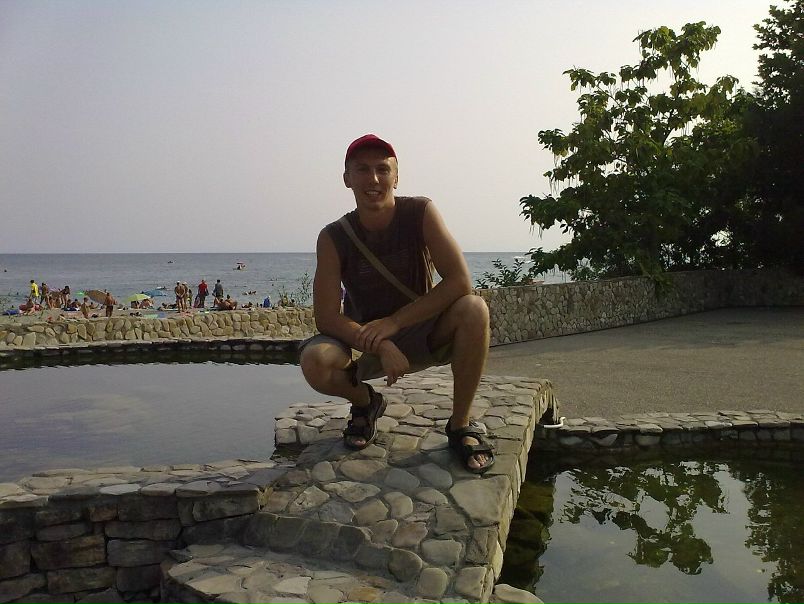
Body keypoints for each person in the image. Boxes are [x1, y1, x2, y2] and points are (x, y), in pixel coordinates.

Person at [299, 134, 493, 473]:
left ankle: (460, 424)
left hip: (424, 330)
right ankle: (365, 403)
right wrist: (382, 342)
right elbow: (326, 317)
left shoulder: (420, 212)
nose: (373, 179)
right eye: (362, 170)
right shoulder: (333, 236)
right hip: (367, 339)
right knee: (315, 360)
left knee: (475, 309)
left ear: (396, 176)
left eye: (382, 169)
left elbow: (460, 281)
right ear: (347, 178)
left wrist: (395, 323)